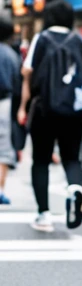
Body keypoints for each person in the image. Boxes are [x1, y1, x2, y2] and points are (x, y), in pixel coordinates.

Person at [18, 0, 82, 232]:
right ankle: (74, 188)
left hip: (44, 109)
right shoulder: (78, 40)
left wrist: (23, 106)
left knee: (41, 159)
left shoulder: (42, 39)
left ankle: (44, 215)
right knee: (72, 158)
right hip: (74, 111)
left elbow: (27, 72)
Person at [0, 18, 21, 204]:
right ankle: (0, 190)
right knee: (3, 149)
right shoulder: (10, 55)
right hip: (3, 104)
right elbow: (17, 84)